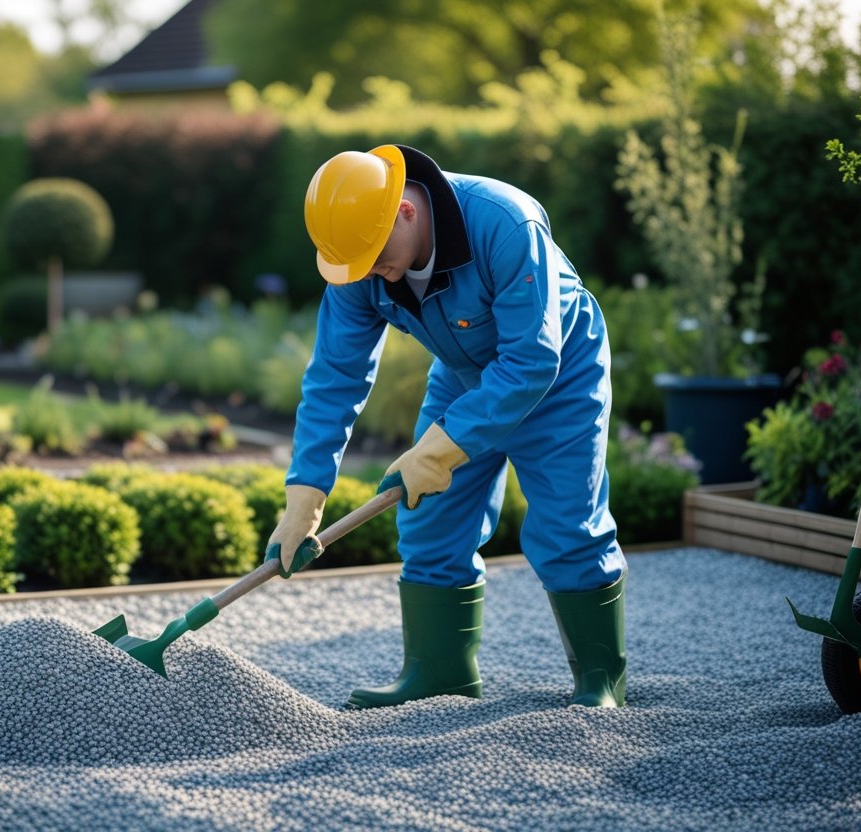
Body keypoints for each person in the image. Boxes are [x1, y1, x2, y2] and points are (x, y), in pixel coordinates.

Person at [264, 144, 627, 709]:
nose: (369, 273)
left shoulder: (505, 222)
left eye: (376, 257)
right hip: (464, 376)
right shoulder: (361, 259)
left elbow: (531, 360)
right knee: (428, 522)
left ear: (405, 211)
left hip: (559, 377)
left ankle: (600, 681)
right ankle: (441, 673)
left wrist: (443, 447)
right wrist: (305, 495)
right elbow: (334, 377)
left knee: (566, 528)